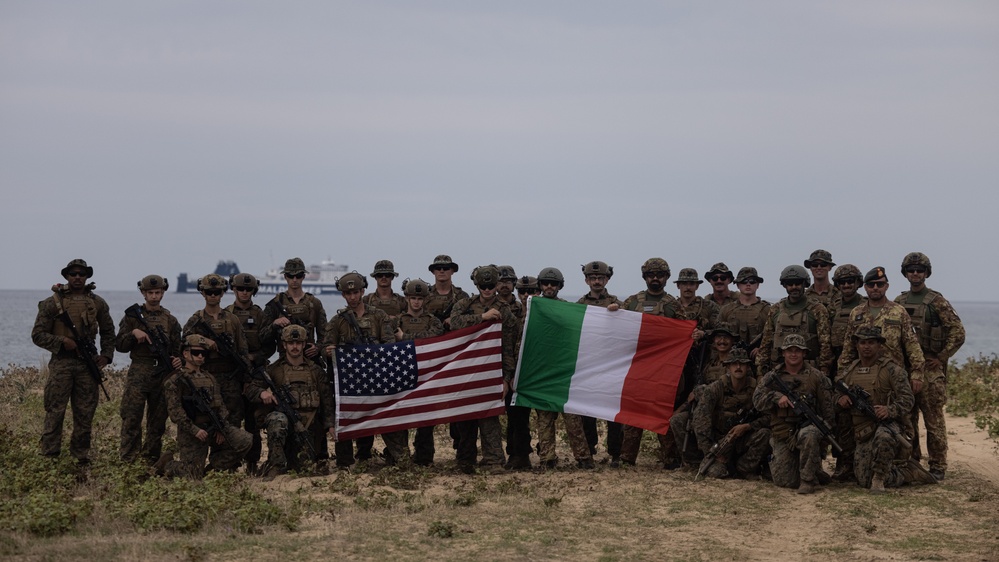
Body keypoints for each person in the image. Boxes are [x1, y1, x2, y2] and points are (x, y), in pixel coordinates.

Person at [31, 259, 115, 466]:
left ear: (87, 277)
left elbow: (108, 331)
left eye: (82, 274)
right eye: (73, 274)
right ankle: (50, 456)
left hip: (87, 366)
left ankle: (81, 456)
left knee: (85, 413)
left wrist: (106, 355)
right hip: (62, 363)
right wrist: (62, 342)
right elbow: (38, 335)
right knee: (55, 410)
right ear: (66, 276)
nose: (77, 277)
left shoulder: (97, 303)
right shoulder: (53, 303)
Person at [835, 326, 936, 493]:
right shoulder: (848, 371)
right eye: (863, 343)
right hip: (862, 430)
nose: (866, 346)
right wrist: (840, 400)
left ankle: (880, 479)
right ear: (857, 345)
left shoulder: (892, 370)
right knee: (863, 480)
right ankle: (907, 472)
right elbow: (835, 396)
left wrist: (890, 410)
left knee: (884, 435)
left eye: (871, 343)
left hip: (889, 426)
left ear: (879, 346)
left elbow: (908, 399)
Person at [894, 253, 966, 481]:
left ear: (926, 273)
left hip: (930, 372)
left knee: (933, 421)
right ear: (905, 273)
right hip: (906, 369)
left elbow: (958, 331)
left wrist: (942, 356)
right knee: (907, 418)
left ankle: (937, 465)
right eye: (911, 269)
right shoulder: (899, 302)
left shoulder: (936, 301)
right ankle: (912, 459)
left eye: (920, 269)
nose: (915, 273)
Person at [449, 265, 521, 473]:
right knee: (465, 419)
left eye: (491, 286)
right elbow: (454, 323)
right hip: (465, 370)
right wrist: (482, 318)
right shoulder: (464, 304)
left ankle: (494, 460)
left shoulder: (505, 310)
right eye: (483, 286)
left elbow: (508, 346)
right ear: (477, 285)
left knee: (489, 419)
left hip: (492, 370)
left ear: (496, 285)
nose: (487, 290)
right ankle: (465, 460)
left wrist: (506, 378)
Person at [323, 272, 397, 469]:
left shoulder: (378, 316)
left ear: (363, 291)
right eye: (348, 293)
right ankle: (345, 462)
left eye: (356, 292)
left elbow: (389, 345)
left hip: (375, 377)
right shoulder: (338, 321)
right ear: (343, 296)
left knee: (377, 418)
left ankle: (372, 456)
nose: (352, 297)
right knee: (346, 419)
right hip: (348, 382)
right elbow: (326, 347)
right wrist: (329, 352)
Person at [619, 258, 686, 467]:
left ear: (666, 277)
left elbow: (685, 332)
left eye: (659, 275)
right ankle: (627, 458)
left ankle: (670, 459)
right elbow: (618, 327)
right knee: (633, 410)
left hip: (663, 370)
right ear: (645, 277)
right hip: (638, 367)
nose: (655, 278)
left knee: (662, 411)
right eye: (651, 275)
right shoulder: (631, 302)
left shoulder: (673, 305)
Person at [246, 325, 336, 480]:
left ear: (303, 344)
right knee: (277, 420)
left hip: (309, 428)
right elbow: (251, 388)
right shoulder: (274, 369)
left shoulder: (316, 371)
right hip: (284, 428)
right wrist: (262, 393)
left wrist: (330, 425)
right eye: (291, 343)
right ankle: (276, 465)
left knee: (305, 467)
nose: (295, 347)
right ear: (284, 345)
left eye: (298, 343)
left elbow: (327, 399)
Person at [156, 335, 252, 479]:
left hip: (213, 428)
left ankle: (212, 471)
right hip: (192, 432)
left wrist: (220, 427)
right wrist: (195, 430)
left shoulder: (210, 378)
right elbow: (175, 412)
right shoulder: (175, 380)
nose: (201, 356)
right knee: (191, 474)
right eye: (196, 352)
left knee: (244, 440)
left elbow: (221, 407)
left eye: (204, 353)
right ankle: (167, 465)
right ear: (185, 353)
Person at [531, 266, 596, 470]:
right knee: (544, 419)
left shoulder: (569, 309)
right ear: (540, 286)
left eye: (554, 284)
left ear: (560, 286)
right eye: (545, 283)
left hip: (565, 373)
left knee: (573, 418)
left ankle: (583, 458)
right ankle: (547, 459)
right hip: (541, 372)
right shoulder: (533, 307)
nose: (549, 287)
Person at [753, 334, 834, 494]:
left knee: (810, 433)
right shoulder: (772, 376)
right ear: (783, 353)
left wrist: (824, 442)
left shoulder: (816, 376)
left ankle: (807, 480)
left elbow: (828, 410)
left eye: (798, 350)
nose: (794, 354)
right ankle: (812, 471)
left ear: (804, 353)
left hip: (807, 431)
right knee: (785, 482)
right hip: (782, 434)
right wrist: (775, 397)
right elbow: (757, 401)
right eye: (790, 350)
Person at [115, 274, 182, 464]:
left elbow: (178, 349)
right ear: (143, 293)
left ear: (163, 293)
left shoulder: (171, 320)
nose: (154, 296)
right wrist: (133, 334)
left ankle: (150, 459)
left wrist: (178, 361)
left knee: (158, 421)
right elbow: (119, 344)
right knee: (131, 417)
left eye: (158, 292)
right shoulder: (132, 318)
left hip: (162, 373)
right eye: (150, 292)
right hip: (139, 370)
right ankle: (128, 460)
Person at [182, 274, 250, 429]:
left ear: (222, 293)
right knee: (206, 419)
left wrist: (246, 379)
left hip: (230, 377)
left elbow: (243, 350)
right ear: (203, 293)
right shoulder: (196, 319)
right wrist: (204, 342)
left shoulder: (232, 320)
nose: (213, 296)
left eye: (217, 292)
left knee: (232, 421)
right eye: (209, 292)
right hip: (205, 375)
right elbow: (184, 343)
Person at [692, 348, 771, 479]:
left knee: (765, 434)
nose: (738, 367)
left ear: (747, 366)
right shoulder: (715, 388)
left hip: (744, 440)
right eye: (734, 364)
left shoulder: (756, 389)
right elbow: (700, 422)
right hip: (721, 441)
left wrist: (748, 426)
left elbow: (769, 417)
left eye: (742, 364)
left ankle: (744, 469)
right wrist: (711, 450)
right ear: (728, 366)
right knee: (715, 473)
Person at [576, 261, 625, 466]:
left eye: (601, 278)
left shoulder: (617, 303)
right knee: (586, 411)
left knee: (614, 412)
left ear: (607, 280)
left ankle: (616, 453)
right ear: (587, 280)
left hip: (612, 366)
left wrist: (619, 312)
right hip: (588, 366)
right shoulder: (578, 306)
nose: (597, 281)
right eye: (593, 278)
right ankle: (589, 450)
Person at [226, 272, 275, 474]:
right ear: (234, 290)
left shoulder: (261, 315)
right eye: (240, 289)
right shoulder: (226, 314)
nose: (244, 292)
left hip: (255, 374)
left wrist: (255, 358)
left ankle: (253, 462)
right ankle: (232, 462)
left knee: (253, 420)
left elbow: (270, 345)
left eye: (248, 289)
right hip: (232, 375)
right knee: (232, 419)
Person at [671, 323, 739, 468]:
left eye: (726, 338)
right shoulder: (709, 362)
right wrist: (682, 408)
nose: (722, 341)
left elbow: (728, 387)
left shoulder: (738, 362)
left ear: (733, 340)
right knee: (677, 420)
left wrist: (700, 391)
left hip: (725, 410)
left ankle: (711, 458)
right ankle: (693, 462)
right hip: (704, 409)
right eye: (718, 337)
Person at [394, 278, 445, 466]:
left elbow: (433, 339)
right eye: (413, 298)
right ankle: (400, 456)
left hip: (427, 377)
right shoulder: (396, 321)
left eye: (420, 298)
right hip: (403, 374)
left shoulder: (433, 322)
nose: (416, 302)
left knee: (426, 420)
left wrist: (405, 337)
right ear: (407, 298)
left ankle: (424, 456)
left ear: (425, 300)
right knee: (401, 418)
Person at [826, 264, 866, 480]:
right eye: (842, 282)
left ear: (858, 282)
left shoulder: (865, 305)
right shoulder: (833, 306)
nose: (847, 285)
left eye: (851, 281)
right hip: (837, 365)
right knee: (840, 415)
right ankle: (843, 463)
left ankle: (861, 462)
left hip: (860, 365)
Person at [756, 265, 832, 376]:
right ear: (785, 286)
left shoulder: (817, 309)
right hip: (778, 370)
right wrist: (761, 373)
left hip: (809, 372)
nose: (794, 287)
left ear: (804, 284)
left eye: (798, 284)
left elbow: (825, 345)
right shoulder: (775, 309)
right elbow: (766, 344)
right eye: (790, 284)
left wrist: (823, 373)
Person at [260, 258, 328, 366]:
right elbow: (262, 337)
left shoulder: (314, 303)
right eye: (291, 276)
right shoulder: (275, 304)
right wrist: (274, 324)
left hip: (309, 360)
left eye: (298, 276)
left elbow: (325, 335)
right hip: (284, 362)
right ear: (285, 277)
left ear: (303, 277)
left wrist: (317, 348)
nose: (295, 280)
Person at [718, 267, 770, 360]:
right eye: (744, 281)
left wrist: (762, 349)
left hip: (757, 359)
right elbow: (717, 336)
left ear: (757, 285)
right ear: (738, 285)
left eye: (752, 281)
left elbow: (772, 336)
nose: (748, 284)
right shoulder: (726, 310)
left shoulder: (767, 310)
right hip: (731, 360)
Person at [424, 254, 469, 331]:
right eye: (438, 268)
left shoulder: (462, 296)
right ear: (433, 271)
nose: (442, 271)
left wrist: (454, 320)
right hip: (429, 337)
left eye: (446, 268)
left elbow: (469, 318)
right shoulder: (424, 295)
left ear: (452, 271)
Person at [362, 259, 408, 328]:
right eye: (380, 275)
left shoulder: (402, 301)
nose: (384, 277)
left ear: (392, 277)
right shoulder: (366, 300)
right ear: (375, 277)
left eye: (387, 275)